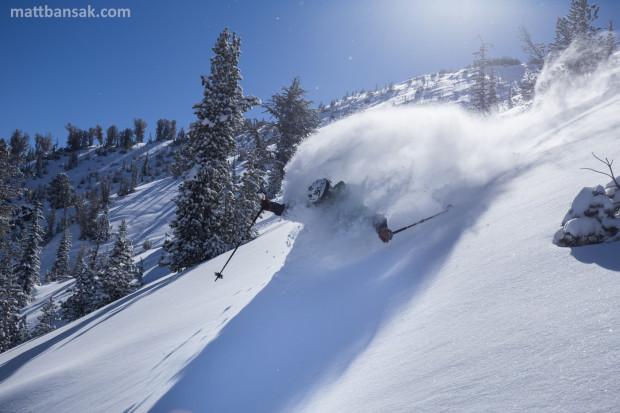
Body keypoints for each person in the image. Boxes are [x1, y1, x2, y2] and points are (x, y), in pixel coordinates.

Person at [260, 178, 394, 243]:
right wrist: (271, 206)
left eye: (319, 202)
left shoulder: (349, 203)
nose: (317, 205)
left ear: (327, 195)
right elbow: (293, 211)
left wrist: (382, 229)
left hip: (356, 246)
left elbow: (372, 216)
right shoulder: (317, 207)